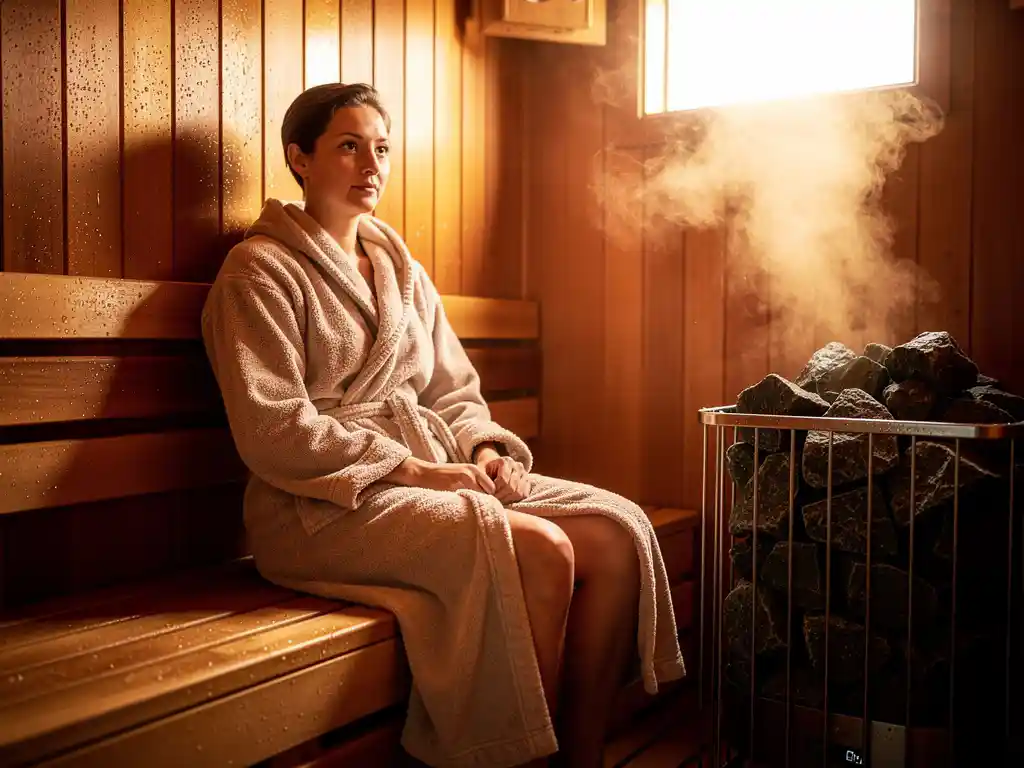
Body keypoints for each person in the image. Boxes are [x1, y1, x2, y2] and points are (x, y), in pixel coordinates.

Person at [200, 82, 684, 768]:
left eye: (382, 148)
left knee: (615, 532)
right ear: (299, 158)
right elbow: (274, 428)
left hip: (427, 477)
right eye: (349, 146)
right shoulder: (258, 273)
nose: (372, 164)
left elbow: (453, 390)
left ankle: (580, 756)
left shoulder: (402, 270)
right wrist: (416, 470)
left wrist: (485, 450)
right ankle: (514, 759)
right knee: (543, 550)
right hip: (317, 505)